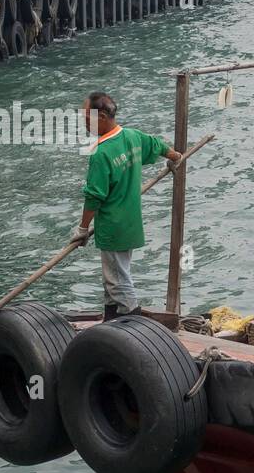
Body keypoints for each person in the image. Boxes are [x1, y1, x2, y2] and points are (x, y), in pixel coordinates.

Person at [70, 92, 183, 320]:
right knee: (112, 280)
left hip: (113, 226)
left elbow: (94, 196)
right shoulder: (132, 136)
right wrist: (175, 156)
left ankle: (136, 327)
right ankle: (111, 322)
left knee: (119, 282)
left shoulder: (101, 153)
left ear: (102, 116)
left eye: (87, 118)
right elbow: (157, 145)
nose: (84, 123)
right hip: (131, 222)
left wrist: (82, 229)